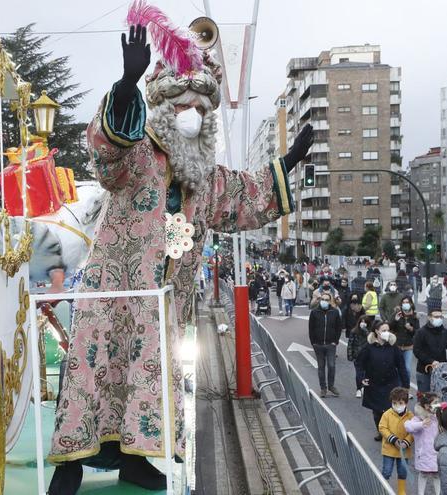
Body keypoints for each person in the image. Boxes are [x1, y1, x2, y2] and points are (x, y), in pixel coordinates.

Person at [47, 19, 314, 493]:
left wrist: (288, 162)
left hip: (164, 303)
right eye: (183, 105)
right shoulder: (139, 154)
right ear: (164, 108)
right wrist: (128, 85)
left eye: (199, 107)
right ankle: (70, 464)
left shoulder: (205, 174)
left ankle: (135, 459)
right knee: (94, 373)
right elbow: (107, 153)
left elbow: (244, 196)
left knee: (151, 381)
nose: (191, 114)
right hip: (115, 292)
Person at [357, 321, 411, 440]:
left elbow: (401, 366)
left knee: (392, 409)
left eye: (388, 330)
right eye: (383, 330)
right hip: (374, 384)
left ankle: (393, 433)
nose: (386, 333)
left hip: (391, 383)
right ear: (376, 331)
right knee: (377, 412)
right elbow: (359, 364)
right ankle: (381, 431)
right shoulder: (368, 348)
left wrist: (405, 384)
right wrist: (361, 379)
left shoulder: (393, 348)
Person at [414, 310, 447, 392]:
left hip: (441, 370)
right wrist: (431, 361)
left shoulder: (445, 332)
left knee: (440, 398)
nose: (439, 319)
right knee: (424, 398)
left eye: (440, 317)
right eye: (436, 317)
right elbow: (417, 351)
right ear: (429, 318)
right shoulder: (421, 332)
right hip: (424, 371)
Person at [379, 387, 415, 495]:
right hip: (389, 449)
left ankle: (401, 491)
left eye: (400, 403)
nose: (397, 406)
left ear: (406, 403)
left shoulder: (410, 416)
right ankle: (383, 489)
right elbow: (382, 428)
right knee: (386, 471)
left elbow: (413, 432)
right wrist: (393, 439)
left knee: (402, 471)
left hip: (404, 450)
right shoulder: (387, 414)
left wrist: (406, 442)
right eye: (394, 403)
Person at [406, 392, 442, 495]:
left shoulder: (438, 417)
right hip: (424, 453)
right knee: (423, 474)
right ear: (427, 406)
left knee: (437, 475)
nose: (438, 404)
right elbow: (408, 426)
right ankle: (420, 493)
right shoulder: (419, 418)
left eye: (438, 402)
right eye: (436, 402)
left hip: (437, 453)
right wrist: (421, 424)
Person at [308, 292, 343, 398]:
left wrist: (335, 341)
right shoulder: (314, 312)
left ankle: (331, 386)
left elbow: (338, 328)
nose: (324, 301)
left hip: (330, 344)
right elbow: (311, 328)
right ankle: (323, 388)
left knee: (331, 366)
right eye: (323, 299)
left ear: (330, 301)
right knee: (321, 367)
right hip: (318, 345)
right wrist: (313, 342)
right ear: (320, 300)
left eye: (327, 300)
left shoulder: (335, 312)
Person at [391, 297, 420, 386]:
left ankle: (405, 388)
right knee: (397, 368)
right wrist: (395, 320)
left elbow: (417, 332)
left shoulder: (415, 316)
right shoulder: (397, 314)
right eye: (403, 302)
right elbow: (390, 327)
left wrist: (411, 329)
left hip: (408, 346)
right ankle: (398, 388)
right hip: (398, 345)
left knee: (407, 368)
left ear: (411, 304)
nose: (405, 304)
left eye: (407, 302)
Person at [348, 314, 375, 397]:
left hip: (368, 356)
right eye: (361, 322)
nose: (363, 324)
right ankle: (358, 388)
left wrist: (365, 330)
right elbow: (350, 344)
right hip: (357, 355)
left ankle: (364, 387)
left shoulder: (370, 332)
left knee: (367, 373)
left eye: (365, 322)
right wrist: (350, 355)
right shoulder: (354, 331)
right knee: (359, 373)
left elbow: (371, 340)